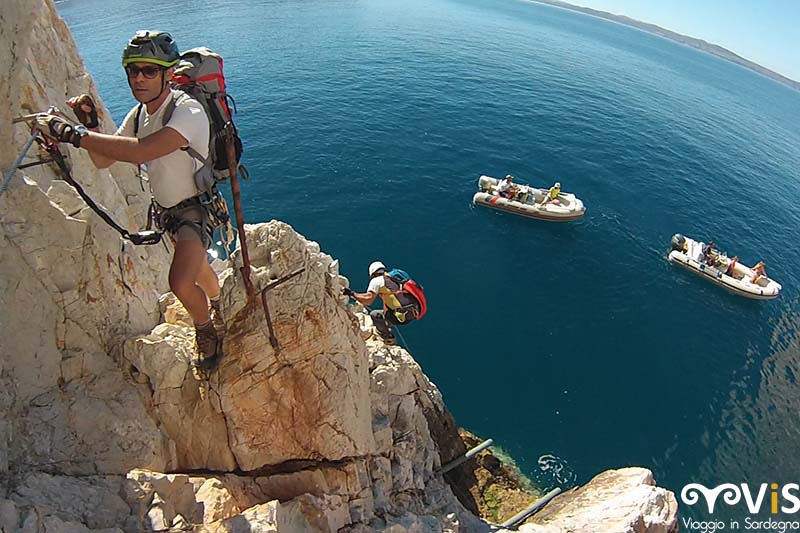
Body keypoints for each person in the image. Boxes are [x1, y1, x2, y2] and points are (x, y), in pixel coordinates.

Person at [34, 30, 223, 370]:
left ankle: (206, 329)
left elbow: (144, 152)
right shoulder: (139, 115)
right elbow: (104, 161)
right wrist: (90, 124)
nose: (139, 77)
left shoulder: (187, 110)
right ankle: (219, 300)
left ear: (167, 74)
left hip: (195, 208)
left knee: (180, 282)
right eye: (133, 70)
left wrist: (76, 135)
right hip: (168, 211)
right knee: (199, 267)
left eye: (150, 70)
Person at [344, 261, 421, 345]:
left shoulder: (376, 281)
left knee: (375, 314)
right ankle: (388, 325)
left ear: (373, 274)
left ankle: (388, 338)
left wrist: (352, 293)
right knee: (387, 313)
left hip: (401, 317)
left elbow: (368, 300)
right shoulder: (394, 277)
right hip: (414, 312)